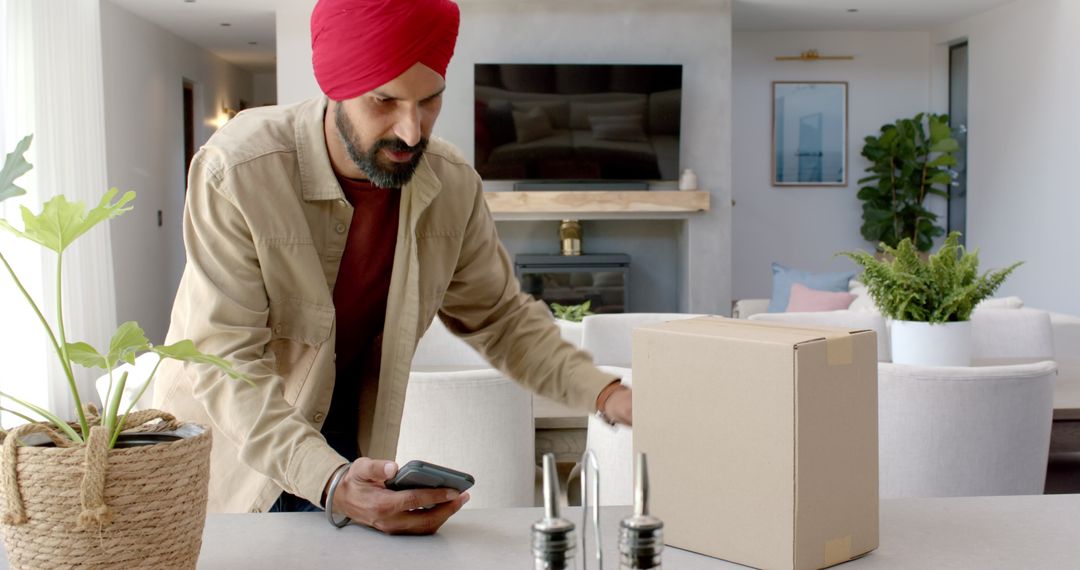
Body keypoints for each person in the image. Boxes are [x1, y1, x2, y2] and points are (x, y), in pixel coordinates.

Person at [154, 0, 632, 535]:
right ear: (336, 87)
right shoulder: (237, 169)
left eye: (429, 102)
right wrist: (331, 481)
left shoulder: (452, 183)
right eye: (385, 101)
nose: (411, 131)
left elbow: (500, 319)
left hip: (349, 444)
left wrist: (610, 394)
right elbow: (226, 361)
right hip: (232, 449)